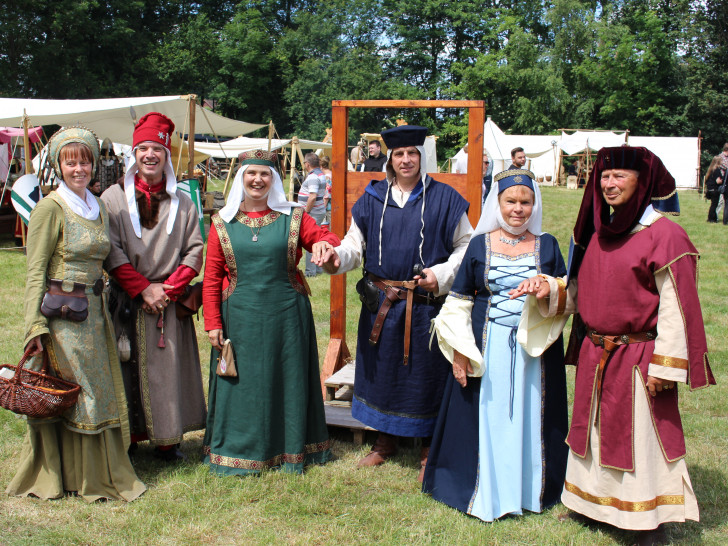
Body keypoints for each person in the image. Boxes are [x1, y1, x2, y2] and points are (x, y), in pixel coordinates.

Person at [512, 146, 715, 544]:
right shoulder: (595, 232)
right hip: (595, 352)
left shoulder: (664, 235)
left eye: (620, 176)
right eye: (604, 177)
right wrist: (547, 290)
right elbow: (579, 294)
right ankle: (593, 506)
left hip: (638, 356)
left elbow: (677, 307)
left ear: (643, 182)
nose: (609, 184)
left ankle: (646, 520)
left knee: (638, 437)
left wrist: (665, 367)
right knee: (593, 434)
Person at [320, 125, 472, 481]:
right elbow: (353, 246)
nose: (406, 160)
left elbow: (467, 246)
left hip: (426, 306)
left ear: (423, 158)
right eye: (399, 154)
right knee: (383, 371)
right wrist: (335, 259)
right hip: (383, 306)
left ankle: (427, 447)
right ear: (389, 158)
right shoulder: (373, 198)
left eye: (413, 153)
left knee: (427, 375)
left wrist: (441, 275)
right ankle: (384, 442)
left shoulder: (446, 199)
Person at [7, 127, 145, 502]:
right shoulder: (50, 208)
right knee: (76, 392)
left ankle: (98, 471)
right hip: (64, 317)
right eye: (71, 162)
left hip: (97, 314)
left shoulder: (96, 205)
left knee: (98, 391)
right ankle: (71, 476)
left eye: (85, 160)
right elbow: (35, 269)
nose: (80, 168)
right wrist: (34, 325)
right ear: (58, 166)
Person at [423, 169, 568, 521]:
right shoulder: (479, 244)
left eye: (526, 202)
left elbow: (569, 292)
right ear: (497, 203)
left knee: (530, 415)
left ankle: (528, 490)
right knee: (489, 416)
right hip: (487, 350)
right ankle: (487, 489)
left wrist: (548, 286)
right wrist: (460, 352)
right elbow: (458, 300)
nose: (518, 209)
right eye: (511, 202)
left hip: (534, 352)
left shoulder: (547, 244)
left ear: (535, 204)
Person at [202, 150, 338, 475]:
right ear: (241, 178)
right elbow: (211, 277)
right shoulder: (222, 222)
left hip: (287, 317)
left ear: (273, 180)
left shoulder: (293, 218)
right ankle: (237, 451)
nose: (258, 180)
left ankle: (289, 449)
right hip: (239, 317)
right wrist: (212, 323)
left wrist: (325, 245)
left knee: (286, 380)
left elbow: (326, 236)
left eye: (265, 174)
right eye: (251, 174)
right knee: (243, 384)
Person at [101, 112, 206, 462]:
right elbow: (110, 250)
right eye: (143, 148)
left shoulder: (184, 202)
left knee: (167, 372)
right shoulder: (112, 200)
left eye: (157, 149)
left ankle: (167, 440)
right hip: (128, 300)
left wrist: (169, 290)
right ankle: (128, 438)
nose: (150, 155)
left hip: (167, 303)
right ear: (134, 153)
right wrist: (143, 289)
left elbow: (195, 250)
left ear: (166, 154)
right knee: (124, 367)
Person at [299, 152, 328, 277]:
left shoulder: (312, 177)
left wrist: (305, 212)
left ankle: (311, 272)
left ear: (307, 164)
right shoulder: (320, 174)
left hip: (312, 212)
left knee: (310, 242)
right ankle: (319, 269)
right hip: (318, 210)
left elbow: (312, 196)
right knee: (316, 240)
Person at [703, 155, 724, 223]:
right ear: (718, 162)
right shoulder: (717, 170)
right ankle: (711, 218)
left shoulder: (710, 170)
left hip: (709, 189)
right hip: (715, 189)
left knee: (713, 204)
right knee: (714, 205)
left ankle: (713, 218)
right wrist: (723, 180)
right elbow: (718, 181)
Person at [320, 155, 333, 227]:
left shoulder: (327, 177)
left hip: (328, 207)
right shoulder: (331, 173)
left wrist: (323, 208)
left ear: (321, 166)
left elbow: (327, 195)